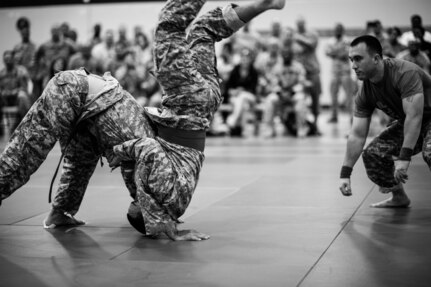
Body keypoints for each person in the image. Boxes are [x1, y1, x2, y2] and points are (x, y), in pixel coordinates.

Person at [0, 0, 286, 241]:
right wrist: (160, 223)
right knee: (169, 27)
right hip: (183, 105)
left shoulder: (151, 185)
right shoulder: (168, 197)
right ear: (144, 209)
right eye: (135, 203)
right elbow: (146, 149)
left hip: (187, 107)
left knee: (203, 31)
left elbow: (84, 163)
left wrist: (115, 155)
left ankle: (61, 211)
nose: (134, 196)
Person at [339, 35, 431, 208]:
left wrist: (404, 157)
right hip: (410, 121)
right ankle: (399, 197)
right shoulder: (365, 93)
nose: (353, 66)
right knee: (373, 155)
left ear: (376, 58)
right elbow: (357, 135)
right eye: (351, 60)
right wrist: (345, 173)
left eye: (358, 59)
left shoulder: (404, 72)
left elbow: (415, 116)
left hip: (424, 117)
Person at [325, 23, 354, 123]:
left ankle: (352, 117)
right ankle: (334, 116)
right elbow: (327, 52)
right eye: (336, 30)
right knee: (333, 94)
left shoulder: (347, 40)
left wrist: (335, 52)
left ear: (342, 30)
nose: (337, 31)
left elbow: (346, 54)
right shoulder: (330, 41)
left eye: (339, 30)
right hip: (334, 72)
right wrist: (339, 52)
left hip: (345, 72)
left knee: (349, 95)